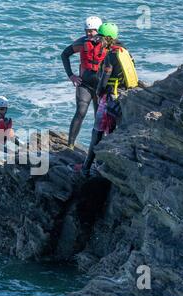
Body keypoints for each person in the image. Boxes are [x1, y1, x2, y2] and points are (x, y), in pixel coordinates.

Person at [80, 22, 138, 176]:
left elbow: (104, 78)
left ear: (108, 38)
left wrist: (98, 93)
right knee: (111, 130)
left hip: (111, 97)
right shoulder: (125, 51)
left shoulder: (110, 56)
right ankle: (105, 163)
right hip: (124, 95)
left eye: (100, 37)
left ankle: (86, 167)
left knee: (97, 131)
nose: (98, 40)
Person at [61, 16, 106, 150]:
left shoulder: (108, 44)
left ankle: (98, 148)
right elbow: (64, 54)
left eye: (91, 31)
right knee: (80, 112)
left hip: (101, 87)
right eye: (86, 30)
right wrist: (71, 76)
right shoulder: (81, 43)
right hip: (84, 85)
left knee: (99, 119)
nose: (88, 33)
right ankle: (70, 145)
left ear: (98, 30)